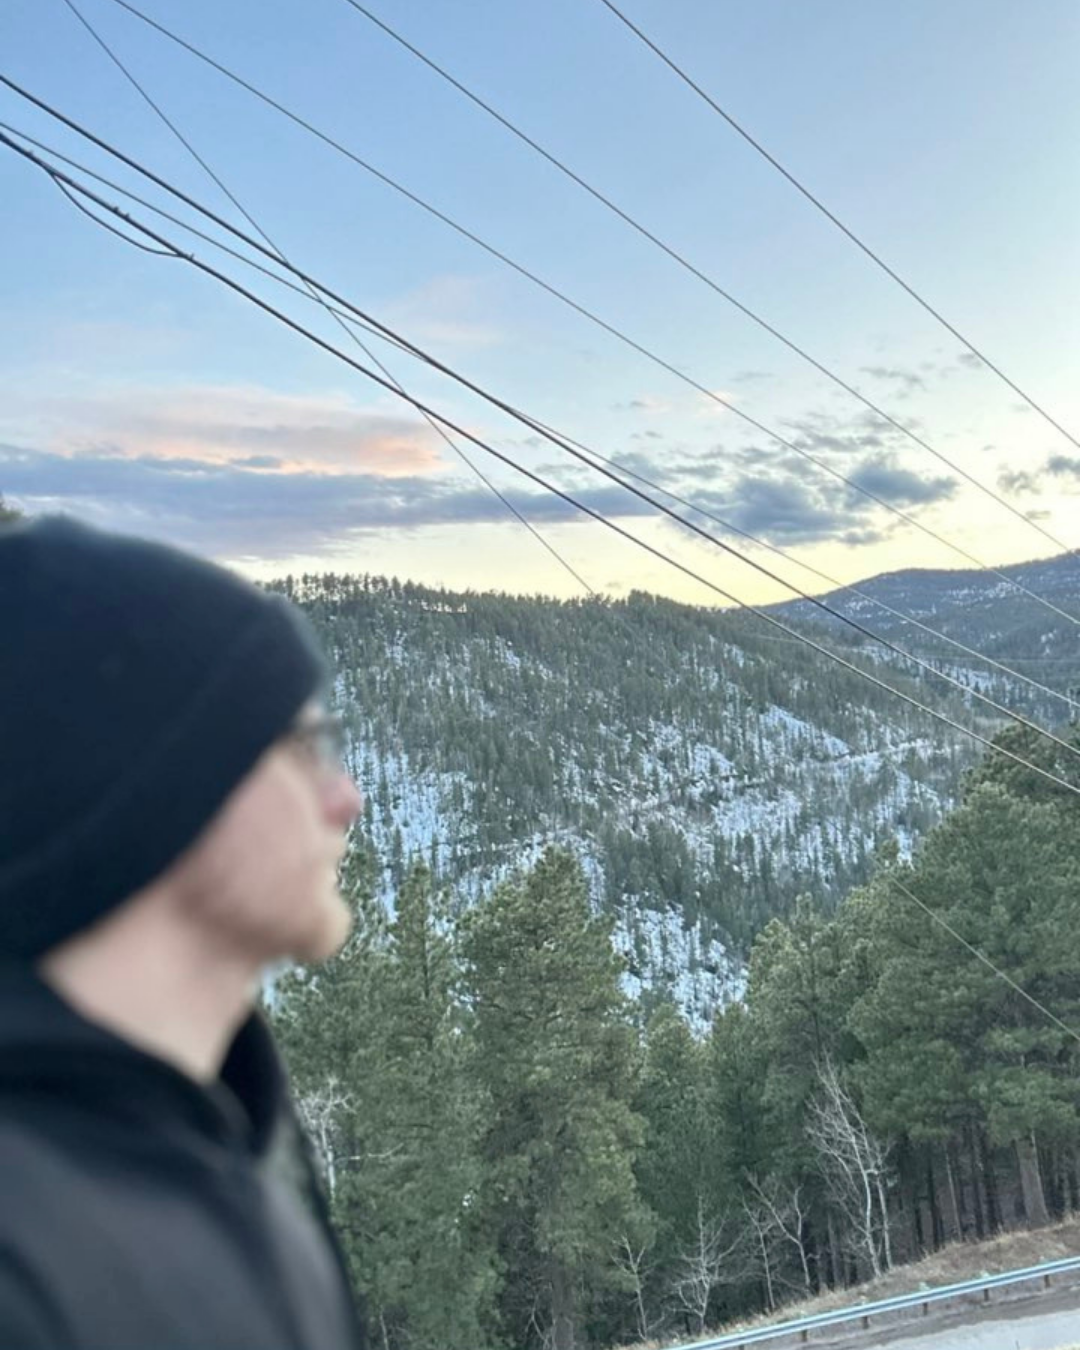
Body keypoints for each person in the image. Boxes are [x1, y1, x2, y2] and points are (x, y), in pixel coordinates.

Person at [0, 515, 367, 1349]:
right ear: (162, 784)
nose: (345, 799)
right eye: (306, 745)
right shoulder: (22, 1265)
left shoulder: (240, 1189)